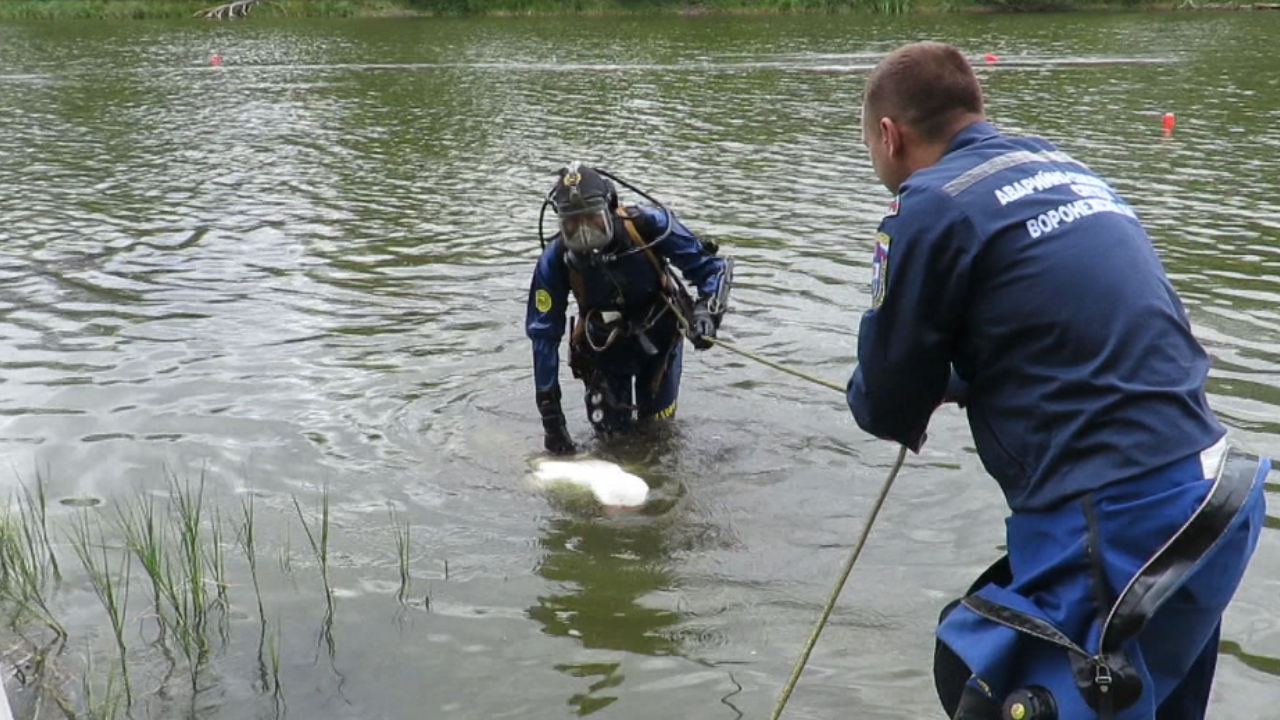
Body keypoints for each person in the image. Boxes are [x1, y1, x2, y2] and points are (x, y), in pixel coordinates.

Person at [845, 42, 1268, 720]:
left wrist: (922, 381)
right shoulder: (1060, 164)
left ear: (890, 137)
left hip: (1119, 524)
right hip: (1216, 498)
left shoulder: (929, 201)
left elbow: (887, 401)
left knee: (985, 683)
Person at [526, 162, 732, 455]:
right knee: (611, 444)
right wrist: (552, 420)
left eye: (592, 220)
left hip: (660, 343)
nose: (585, 234)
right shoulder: (555, 260)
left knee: (658, 433)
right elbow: (543, 337)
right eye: (573, 225)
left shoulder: (650, 226)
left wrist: (706, 314)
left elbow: (712, 269)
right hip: (603, 352)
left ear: (610, 208)